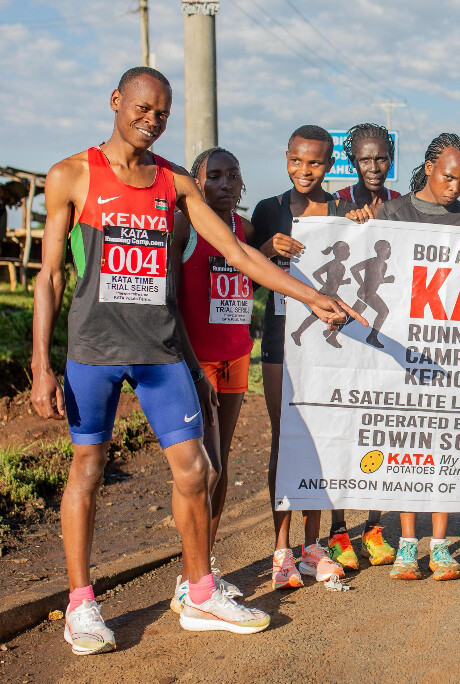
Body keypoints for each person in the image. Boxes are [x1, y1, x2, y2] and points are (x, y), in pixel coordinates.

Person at [30, 67, 363, 655]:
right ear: (116, 101)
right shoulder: (71, 174)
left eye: (161, 112)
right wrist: (41, 364)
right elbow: (50, 275)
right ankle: (81, 604)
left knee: (197, 470)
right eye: (141, 108)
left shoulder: (175, 183)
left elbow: (236, 251)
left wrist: (311, 296)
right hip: (94, 351)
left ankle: (199, 591)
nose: (151, 121)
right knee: (88, 467)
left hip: (159, 352)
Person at [251, 125, 381, 588]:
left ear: (329, 165)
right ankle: (280, 550)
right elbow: (246, 273)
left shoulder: (346, 210)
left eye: (315, 163)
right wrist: (266, 249)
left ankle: (312, 546)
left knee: (323, 441)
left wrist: (364, 226)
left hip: (332, 343)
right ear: (286, 157)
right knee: (284, 440)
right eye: (296, 160)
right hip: (280, 340)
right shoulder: (268, 209)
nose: (304, 170)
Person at [374, 132, 460, 580]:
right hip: (401, 351)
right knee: (407, 445)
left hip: (450, 354)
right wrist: (359, 223)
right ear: (428, 168)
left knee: (443, 442)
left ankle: (439, 545)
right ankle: (408, 544)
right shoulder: (392, 213)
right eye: (448, 177)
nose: (455, 188)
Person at [168, 147, 253, 612]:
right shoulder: (186, 227)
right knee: (207, 467)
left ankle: (203, 569)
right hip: (197, 362)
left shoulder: (245, 230)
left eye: (232, 175)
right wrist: (190, 364)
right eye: (214, 176)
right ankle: (189, 578)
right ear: (197, 184)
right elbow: (169, 298)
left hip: (236, 357)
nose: (225, 184)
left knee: (223, 466)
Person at [335, 123, 400, 212]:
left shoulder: (399, 203)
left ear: (391, 159)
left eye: (380, 159)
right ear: (353, 161)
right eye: (365, 160)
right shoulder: (338, 201)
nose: (374, 169)